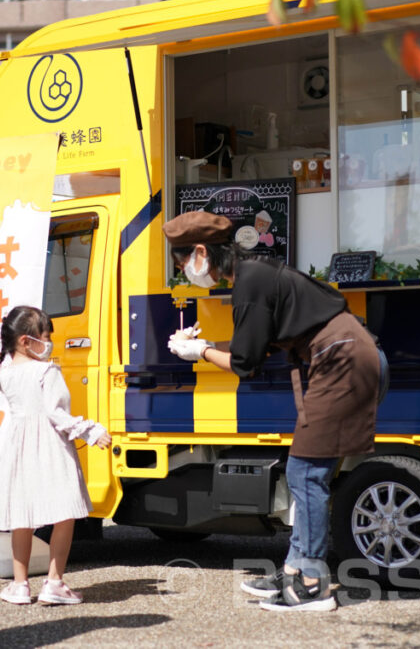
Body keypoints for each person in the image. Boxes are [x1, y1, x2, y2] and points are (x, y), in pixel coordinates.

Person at [162, 210, 381, 613]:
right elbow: (251, 349)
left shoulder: (250, 283)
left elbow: (245, 367)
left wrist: (201, 352)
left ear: (199, 252)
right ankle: (296, 569)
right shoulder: (254, 274)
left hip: (342, 360)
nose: (183, 272)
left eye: (181, 263)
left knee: (306, 472)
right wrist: (209, 345)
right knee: (304, 471)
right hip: (343, 355)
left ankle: (312, 584)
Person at [0, 306, 111, 606]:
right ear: (25, 341)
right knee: (63, 514)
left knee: (22, 517)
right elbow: (56, 413)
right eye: (44, 337)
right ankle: (54, 582)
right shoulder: (46, 370)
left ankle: (20, 586)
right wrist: (91, 431)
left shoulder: (3, 371)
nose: (49, 343)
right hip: (51, 446)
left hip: (19, 447)